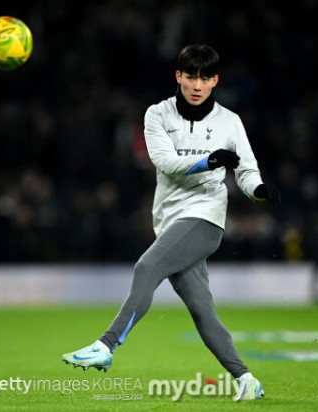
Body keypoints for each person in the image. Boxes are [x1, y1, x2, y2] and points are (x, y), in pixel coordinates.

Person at [62, 44, 279, 402]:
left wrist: (258, 190)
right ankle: (246, 378)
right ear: (178, 76)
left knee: (146, 267)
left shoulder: (230, 122)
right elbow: (164, 162)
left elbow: (246, 170)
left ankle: (106, 345)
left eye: (205, 78)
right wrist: (209, 161)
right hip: (169, 221)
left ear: (215, 81)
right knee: (202, 310)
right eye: (191, 76)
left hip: (206, 217)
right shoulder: (157, 115)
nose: (197, 85)